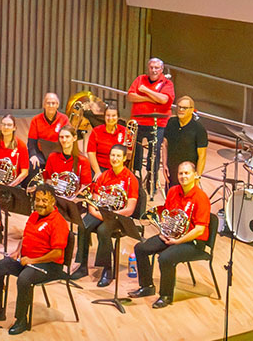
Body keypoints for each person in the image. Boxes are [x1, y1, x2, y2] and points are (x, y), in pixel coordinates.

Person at [0, 184, 69, 335]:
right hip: (27, 259)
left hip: (49, 266)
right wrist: (17, 251)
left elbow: (57, 253)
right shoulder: (34, 215)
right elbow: (26, 237)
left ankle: (21, 320)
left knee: (24, 279)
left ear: (53, 202)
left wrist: (32, 261)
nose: (40, 203)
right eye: (37, 199)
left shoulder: (58, 223)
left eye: (45, 200)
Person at [129, 161, 211, 309]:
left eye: (187, 173)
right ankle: (147, 286)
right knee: (140, 248)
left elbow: (199, 229)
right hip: (172, 235)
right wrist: (163, 233)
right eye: (180, 173)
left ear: (195, 175)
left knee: (165, 258)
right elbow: (166, 216)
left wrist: (178, 241)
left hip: (193, 242)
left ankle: (166, 296)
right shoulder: (173, 191)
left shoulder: (201, 198)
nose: (183, 176)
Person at [73, 145, 139, 285]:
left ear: (124, 159)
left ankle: (108, 269)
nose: (115, 159)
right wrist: (93, 210)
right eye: (112, 155)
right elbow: (95, 199)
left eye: (118, 156)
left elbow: (130, 209)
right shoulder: (104, 176)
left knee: (103, 230)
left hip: (118, 216)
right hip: (101, 212)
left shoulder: (130, 179)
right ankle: (82, 266)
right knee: (82, 225)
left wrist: (112, 215)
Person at [126, 58, 175, 177]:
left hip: (158, 124)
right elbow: (131, 97)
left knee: (155, 151)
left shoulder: (167, 83)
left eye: (156, 68)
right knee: (134, 148)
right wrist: (151, 98)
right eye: (151, 67)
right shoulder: (140, 79)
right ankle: (135, 174)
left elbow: (164, 99)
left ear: (162, 69)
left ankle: (151, 176)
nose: (154, 70)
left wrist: (145, 91)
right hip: (138, 121)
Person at [161, 96, 207, 187]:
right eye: (179, 107)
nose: (181, 110)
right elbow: (165, 145)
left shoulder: (199, 129)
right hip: (172, 171)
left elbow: (202, 156)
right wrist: (164, 165)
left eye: (184, 108)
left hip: (188, 174)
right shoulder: (171, 122)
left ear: (192, 110)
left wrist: (197, 176)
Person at [0, 114, 28, 188]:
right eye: (4, 124)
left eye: (9, 125)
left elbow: (24, 172)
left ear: (14, 128)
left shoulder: (21, 146)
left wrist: (10, 186)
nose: (6, 127)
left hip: (13, 186)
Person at [27, 93, 68, 170]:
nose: (51, 105)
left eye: (53, 103)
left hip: (58, 154)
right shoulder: (36, 120)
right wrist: (33, 155)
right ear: (44, 105)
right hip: (41, 153)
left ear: (57, 105)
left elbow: (67, 140)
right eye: (48, 103)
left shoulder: (64, 119)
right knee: (32, 164)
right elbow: (31, 142)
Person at [86, 105, 129, 177]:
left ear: (118, 117)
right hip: (100, 167)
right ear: (104, 117)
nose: (110, 118)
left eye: (114, 115)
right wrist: (97, 172)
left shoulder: (125, 131)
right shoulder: (96, 131)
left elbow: (129, 152)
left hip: (119, 168)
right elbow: (91, 153)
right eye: (108, 115)